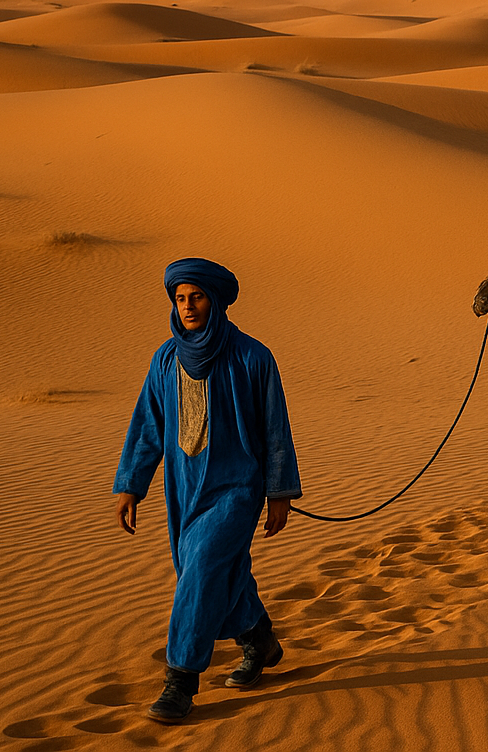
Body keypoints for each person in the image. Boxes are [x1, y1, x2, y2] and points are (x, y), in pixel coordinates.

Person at [113, 258, 302, 724]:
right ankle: (259, 639)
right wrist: (131, 485)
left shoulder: (253, 357)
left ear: (215, 300)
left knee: (200, 572)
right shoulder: (165, 358)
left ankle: (180, 680)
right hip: (183, 488)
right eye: (180, 298)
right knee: (215, 570)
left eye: (196, 297)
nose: (188, 306)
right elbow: (148, 427)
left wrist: (279, 492)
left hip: (237, 488)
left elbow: (275, 429)